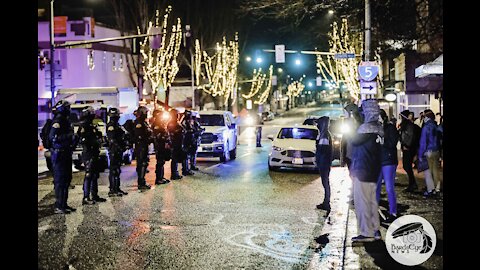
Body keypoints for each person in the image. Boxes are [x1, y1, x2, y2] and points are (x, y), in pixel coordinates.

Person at [350, 99, 384, 242]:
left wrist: (355, 120)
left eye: (363, 111)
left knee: (362, 203)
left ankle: (366, 232)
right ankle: (375, 229)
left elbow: (353, 140)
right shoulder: (379, 128)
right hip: (373, 170)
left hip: (362, 169)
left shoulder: (365, 129)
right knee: (372, 202)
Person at [49, 100, 78, 214]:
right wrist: (69, 136)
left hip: (65, 153)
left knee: (66, 180)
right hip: (59, 153)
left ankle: (64, 204)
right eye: (67, 107)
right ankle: (59, 205)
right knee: (60, 181)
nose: (69, 109)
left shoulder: (65, 120)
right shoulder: (58, 121)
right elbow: (54, 137)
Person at [78, 106, 107, 205]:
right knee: (89, 174)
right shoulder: (84, 126)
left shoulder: (91, 125)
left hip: (94, 152)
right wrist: (95, 141)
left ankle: (94, 195)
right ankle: (86, 197)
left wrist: (99, 139)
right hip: (88, 153)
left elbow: (98, 136)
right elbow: (84, 140)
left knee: (94, 175)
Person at [376, 109, 399, 224]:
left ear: (383, 117)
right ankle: (374, 212)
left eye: (378, 117)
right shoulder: (375, 128)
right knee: (376, 187)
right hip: (378, 161)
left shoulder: (390, 128)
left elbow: (392, 143)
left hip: (388, 161)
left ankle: (393, 212)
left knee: (389, 188)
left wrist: (382, 140)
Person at [106, 107, 129, 197]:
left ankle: (117, 188)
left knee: (117, 170)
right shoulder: (111, 126)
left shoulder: (117, 125)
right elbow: (112, 140)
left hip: (118, 150)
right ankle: (112, 189)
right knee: (114, 170)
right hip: (114, 150)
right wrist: (119, 147)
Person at [418, 109, 442, 195]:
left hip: (428, 151)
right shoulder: (436, 126)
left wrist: (420, 154)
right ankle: (437, 187)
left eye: (424, 116)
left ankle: (431, 189)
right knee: (436, 170)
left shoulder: (426, 127)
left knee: (429, 171)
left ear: (427, 117)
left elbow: (423, 142)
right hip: (436, 150)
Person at [314, 116, 333, 216]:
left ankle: (327, 202)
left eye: (319, 124)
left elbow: (323, 151)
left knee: (325, 182)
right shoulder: (323, 134)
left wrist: (320, 161)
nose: (317, 125)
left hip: (324, 163)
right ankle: (326, 201)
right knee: (325, 182)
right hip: (323, 162)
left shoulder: (324, 135)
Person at [398, 110, 421, 192]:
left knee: (407, 166)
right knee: (406, 166)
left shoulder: (408, 125)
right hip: (407, 148)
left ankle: (412, 184)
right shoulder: (405, 125)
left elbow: (410, 136)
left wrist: (407, 145)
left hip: (409, 148)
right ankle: (412, 183)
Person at [133, 106, 153, 190]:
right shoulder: (139, 123)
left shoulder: (143, 122)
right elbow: (139, 136)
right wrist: (149, 138)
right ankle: (141, 183)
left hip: (144, 146)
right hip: (141, 146)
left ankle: (142, 181)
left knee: (144, 163)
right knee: (142, 164)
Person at [151, 108, 171, 185]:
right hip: (160, 145)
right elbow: (158, 136)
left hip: (163, 145)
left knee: (162, 161)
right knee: (160, 162)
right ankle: (158, 178)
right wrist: (164, 141)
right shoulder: (156, 124)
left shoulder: (160, 123)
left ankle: (161, 177)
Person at [167, 109, 185, 180]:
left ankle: (175, 173)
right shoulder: (172, 123)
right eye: (177, 114)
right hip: (175, 143)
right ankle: (174, 174)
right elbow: (173, 133)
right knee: (174, 159)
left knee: (176, 158)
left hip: (178, 143)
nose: (178, 116)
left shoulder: (176, 122)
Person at [181, 110, 197, 176]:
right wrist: (191, 131)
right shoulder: (184, 122)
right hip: (186, 140)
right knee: (185, 156)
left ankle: (188, 168)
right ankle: (185, 169)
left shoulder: (190, 121)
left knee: (190, 154)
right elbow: (184, 131)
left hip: (191, 140)